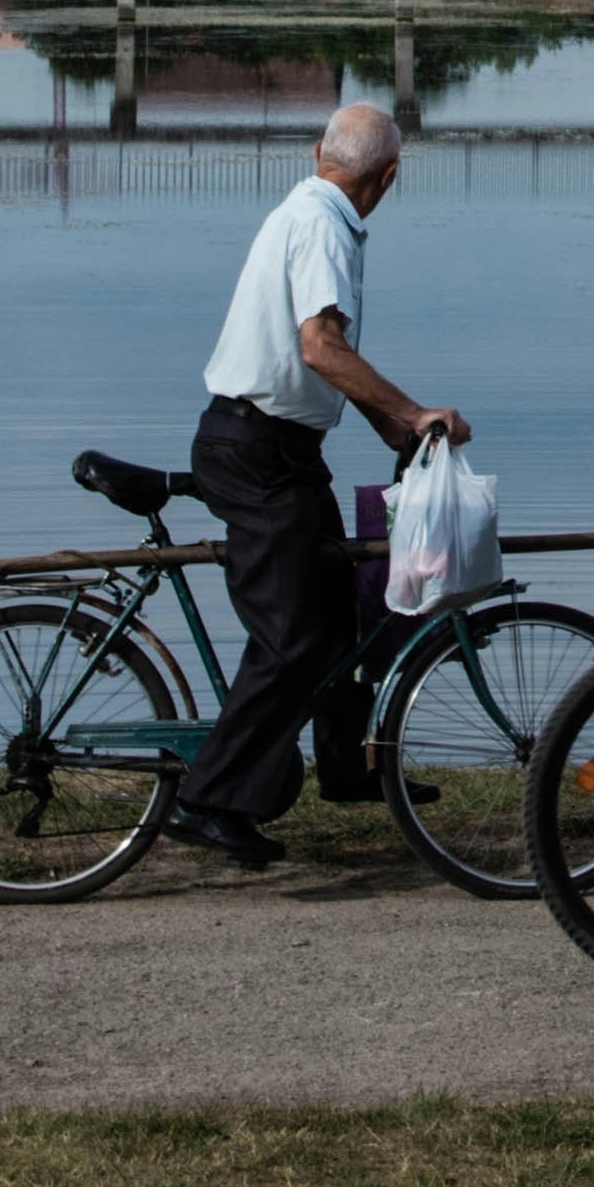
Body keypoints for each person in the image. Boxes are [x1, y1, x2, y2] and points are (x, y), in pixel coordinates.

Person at [168, 103, 470, 874]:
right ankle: (209, 800)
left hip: (277, 446)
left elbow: (318, 364)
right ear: (390, 176)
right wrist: (411, 409)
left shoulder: (307, 208)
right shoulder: (327, 225)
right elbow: (321, 347)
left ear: (318, 152)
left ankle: (350, 763)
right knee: (293, 639)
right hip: (259, 451)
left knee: (337, 612)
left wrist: (393, 430)